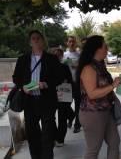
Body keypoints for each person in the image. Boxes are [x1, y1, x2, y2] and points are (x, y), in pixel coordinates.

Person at [12, 30, 63, 159]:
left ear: (43, 40)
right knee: (32, 133)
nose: (36, 40)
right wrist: (22, 87)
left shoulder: (51, 59)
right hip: (29, 101)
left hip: (46, 100)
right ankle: (36, 156)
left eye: (38, 38)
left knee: (48, 133)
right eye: (33, 38)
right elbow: (16, 78)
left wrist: (46, 84)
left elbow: (59, 77)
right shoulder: (23, 59)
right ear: (30, 42)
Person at [77, 35, 121, 159]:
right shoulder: (88, 68)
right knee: (93, 149)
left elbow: (104, 87)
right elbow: (92, 94)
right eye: (105, 47)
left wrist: (114, 83)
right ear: (97, 49)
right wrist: (112, 85)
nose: (107, 49)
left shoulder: (100, 65)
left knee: (114, 142)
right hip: (92, 114)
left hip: (106, 111)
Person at [52, 48, 74, 146]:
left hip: (64, 94)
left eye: (59, 55)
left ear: (61, 57)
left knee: (62, 118)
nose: (57, 57)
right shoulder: (48, 67)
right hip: (51, 96)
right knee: (50, 118)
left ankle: (60, 139)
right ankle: (55, 136)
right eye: (55, 55)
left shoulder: (64, 67)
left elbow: (69, 81)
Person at [63, 36, 81, 133]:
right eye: (70, 41)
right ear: (67, 43)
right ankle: (71, 116)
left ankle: (77, 125)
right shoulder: (64, 55)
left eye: (73, 41)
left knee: (78, 105)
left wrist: (77, 65)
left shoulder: (80, 55)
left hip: (77, 83)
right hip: (67, 83)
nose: (72, 43)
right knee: (65, 104)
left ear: (76, 43)